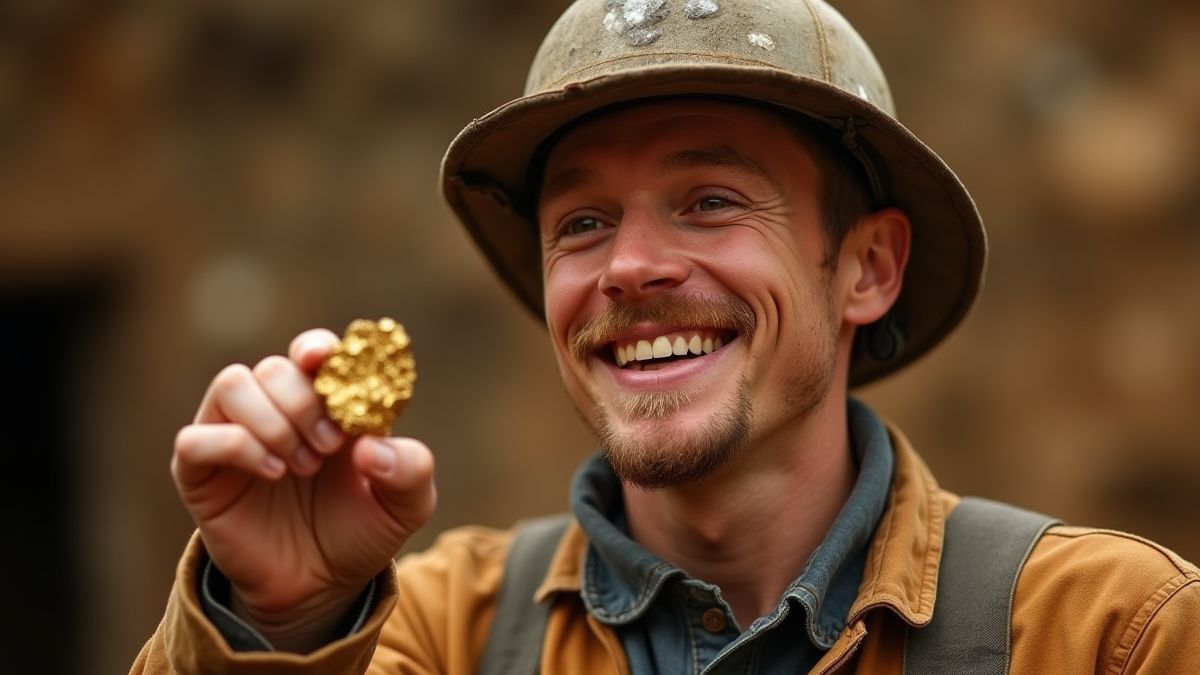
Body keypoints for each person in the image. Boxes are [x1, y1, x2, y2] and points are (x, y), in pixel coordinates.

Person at [132, 1, 1200, 673]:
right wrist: (279, 621)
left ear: (868, 267)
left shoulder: (1112, 634)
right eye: (582, 223)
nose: (630, 266)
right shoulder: (435, 635)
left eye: (711, 201)